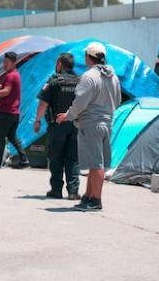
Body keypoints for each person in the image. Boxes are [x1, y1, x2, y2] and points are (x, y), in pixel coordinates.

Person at [56, 42, 121, 211]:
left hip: (91, 124)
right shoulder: (112, 76)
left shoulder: (89, 76)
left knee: (96, 164)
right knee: (95, 163)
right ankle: (88, 196)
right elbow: (118, 99)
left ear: (88, 57)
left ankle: (96, 200)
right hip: (107, 123)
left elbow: (80, 102)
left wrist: (68, 115)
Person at [34, 53, 81, 200]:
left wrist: (37, 120)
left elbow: (43, 103)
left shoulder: (54, 80)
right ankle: (73, 191)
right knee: (73, 158)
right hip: (75, 124)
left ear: (60, 64)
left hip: (57, 125)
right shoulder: (80, 81)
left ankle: (56, 190)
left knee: (56, 157)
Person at [0, 52, 29, 168]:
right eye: (4, 62)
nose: (4, 65)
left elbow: (6, 92)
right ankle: (24, 159)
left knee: (1, 137)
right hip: (14, 113)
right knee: (12, 137)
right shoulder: (15, 75)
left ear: (13, 63)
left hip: (6, 112)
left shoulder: (10, 76)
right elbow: (7, 89)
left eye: (6, 63)